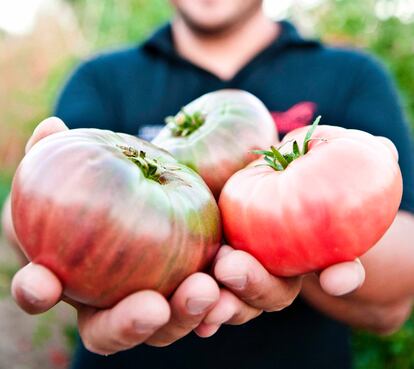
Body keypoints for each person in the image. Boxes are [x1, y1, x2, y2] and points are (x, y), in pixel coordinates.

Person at [3, 1, 414, 368]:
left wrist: (281, 234)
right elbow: (43, 202)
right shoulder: (101, 77)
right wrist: (32, 210)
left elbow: (393, 303)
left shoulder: (351, 75)